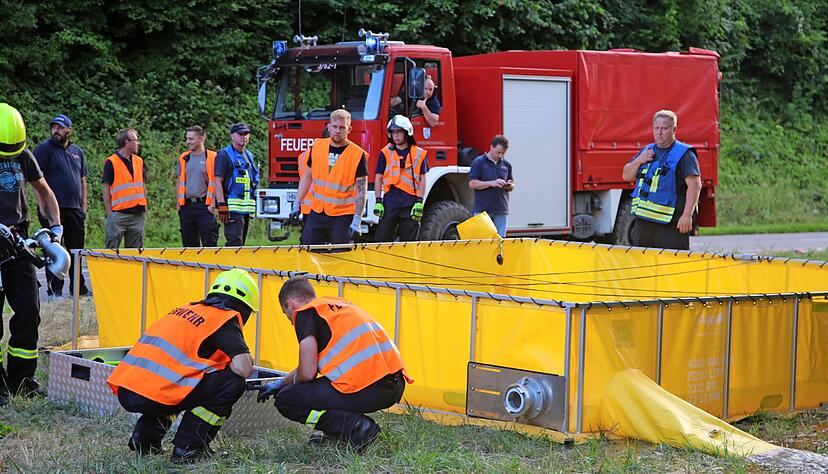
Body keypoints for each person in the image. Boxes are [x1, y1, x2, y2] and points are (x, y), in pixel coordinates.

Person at [106, 268, 259, 462]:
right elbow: (243, 368)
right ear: (244, 307)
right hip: (154, 392)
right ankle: (188, 449)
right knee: (232, 382)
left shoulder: (185, 309)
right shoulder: (222, 317)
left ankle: (145, 439)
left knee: (185, 381)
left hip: (129, 389)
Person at [256, 275, 412, 452]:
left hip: (367, 388)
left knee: (287, 400)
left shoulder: (305, 313)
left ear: (290, 305)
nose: (291, 320)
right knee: (318, 388)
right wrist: (281, 382)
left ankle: (357, 428)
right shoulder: (336, 306)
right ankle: (340, 433)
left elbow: (307, 373)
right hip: (394, 386)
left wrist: (282, 389)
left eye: (287, 315)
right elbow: (310, 368)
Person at [0, 103, 62, 403]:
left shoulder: (23, 155)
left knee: (29, 311)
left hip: (18, 242)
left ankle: (22, 379)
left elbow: (44, 190)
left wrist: (57, 226)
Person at [622, 110, 702, 250]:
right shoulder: (647, 150)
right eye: (656, 128)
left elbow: (695, 185)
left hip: (671, 223)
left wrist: (687, 216)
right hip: (643, 222)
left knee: (672, 268)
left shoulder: (685, 154)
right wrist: (639, 160)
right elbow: (626, 175)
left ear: (674, 129)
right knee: (644, 267)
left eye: (664, 128)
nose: (659, 132)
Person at [32, 114, 90, 298]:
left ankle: (78, 288)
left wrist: (83, 205)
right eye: (53, 127)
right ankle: (54, 290)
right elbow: (35, 180)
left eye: (60, 127)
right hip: (52, 209)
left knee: (76, 249)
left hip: (74, 208)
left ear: (68, 130)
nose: (55, 130)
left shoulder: (77, 152)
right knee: (54, 250)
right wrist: (41, 204)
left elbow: (82, 180)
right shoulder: (43, 149)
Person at [293, 109, 368, 245]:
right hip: (317, 212)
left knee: (341, 257)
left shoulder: (357, 155)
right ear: (329, 127)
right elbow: (307, 177)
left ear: (349, 129)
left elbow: (362, 190)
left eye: (342, 127)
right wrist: (297, 203)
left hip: (342, 216)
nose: (337, 131)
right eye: (334, 127)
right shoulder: (317, 147)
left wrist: (357, 220)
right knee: (309, 251)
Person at [373, 115, 428, 242]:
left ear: (407, 132)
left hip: (410, 203)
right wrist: (378, 201)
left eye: (399, 132)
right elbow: (378, 177)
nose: (396, 135)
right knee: (381, 242)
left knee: (408, 244)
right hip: (389, 203)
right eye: (393, 132)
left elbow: (423, 179)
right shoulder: (385, 152)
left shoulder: (419, 153)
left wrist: (420, 201)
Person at [214, 123, 259, 246]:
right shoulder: (224, 155)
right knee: (234, 242)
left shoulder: (249, 156)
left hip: (245, 208)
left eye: (246, 134)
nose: (244, 137)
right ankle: (229, 265)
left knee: (241, 243)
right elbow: (217, 181)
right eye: (240, 134)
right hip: (231, 208)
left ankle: (236, 265)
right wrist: (222, 205)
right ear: (232, 136)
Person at [102, 128, 147, 249]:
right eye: (136, 140)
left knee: (135, 254)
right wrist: (110, 214)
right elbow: (105, 189)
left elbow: (142, 184)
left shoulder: (139, 161)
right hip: (119, 213)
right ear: (127, 142)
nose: (138, 143)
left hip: (138, 214)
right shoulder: (111, 162)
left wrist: (144, 205)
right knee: (111, 250)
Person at [176, 125, 219, 247]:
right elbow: (179, 181)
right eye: (187, 139)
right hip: (187, 206)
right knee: (189, 246)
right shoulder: (184, 157)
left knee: (209, 244)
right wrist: (178, 204)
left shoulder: (213, 157)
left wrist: (213, 204)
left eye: (191, 139)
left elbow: (217, 181)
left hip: (205, 205)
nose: (187, 142)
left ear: (201, 138)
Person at [468, 135, 514, 237]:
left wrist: (509, 185)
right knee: (483, 242)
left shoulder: (506, 165)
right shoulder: (478, 162)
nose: (500, 155)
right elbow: (472, 183)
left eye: (503, 153)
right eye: (498, 152)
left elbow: (512, 184)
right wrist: (492, 183)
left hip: (501, 209)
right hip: (482, 211)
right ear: (491, 147)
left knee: (500, 242)